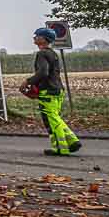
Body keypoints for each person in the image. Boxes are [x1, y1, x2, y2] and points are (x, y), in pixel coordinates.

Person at [21, 27, 82, 156]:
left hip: (48, 92)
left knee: (52, 120)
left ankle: (61, 148)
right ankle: (72, 141)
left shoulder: (42, 53)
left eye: (37, 35)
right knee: (55, 117)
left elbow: (43, 72)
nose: (34, 37)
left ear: (43, 39)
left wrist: (28, 82)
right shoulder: (53, 53)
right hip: (57, 90)